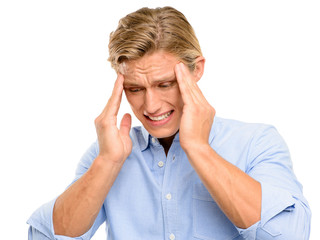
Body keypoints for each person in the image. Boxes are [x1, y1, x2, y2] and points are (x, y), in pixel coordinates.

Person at [27, 6, 311, 240]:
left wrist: (199, 149)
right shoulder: (106, 153)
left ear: (196, 69)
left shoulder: (256, 143)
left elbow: (289, 235)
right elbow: (42, 237)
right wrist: (107, 163)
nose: (150, 106)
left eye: (164, 84)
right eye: (135, 89)